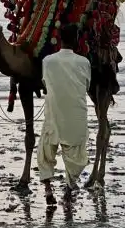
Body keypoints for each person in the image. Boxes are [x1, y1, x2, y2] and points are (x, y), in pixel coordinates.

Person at [37, 24, 91, 205]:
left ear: (60, 39)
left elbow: (45, 83)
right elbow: (87, 85)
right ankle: (68, 188)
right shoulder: (84, 62)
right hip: (76, 113)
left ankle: (47, 190)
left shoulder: (48, 61)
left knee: (45, 151)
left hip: (53, 114)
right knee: (76, 154)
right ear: (76, 40)